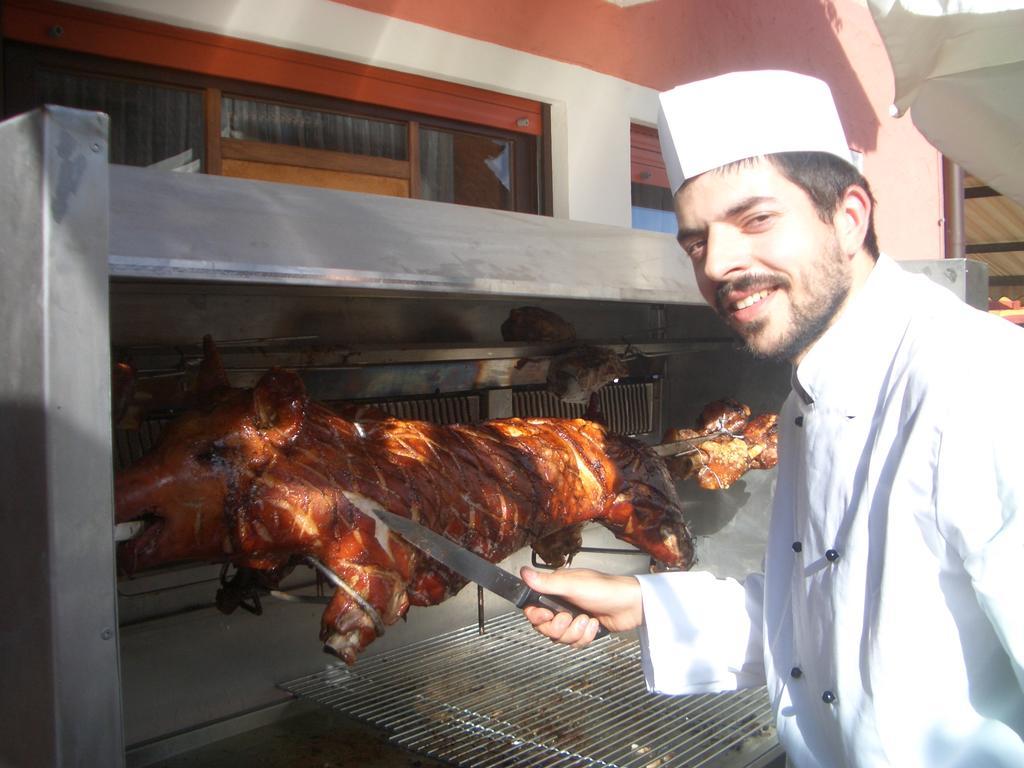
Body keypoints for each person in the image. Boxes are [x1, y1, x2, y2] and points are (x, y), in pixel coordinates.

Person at [519, 69, 1024, 767]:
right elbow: (828, 618)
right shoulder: (806, 399)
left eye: (756, 220)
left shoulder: (988, 386)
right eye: (696, 241)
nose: (719, 263)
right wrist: (642, 603)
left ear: (849, 218)